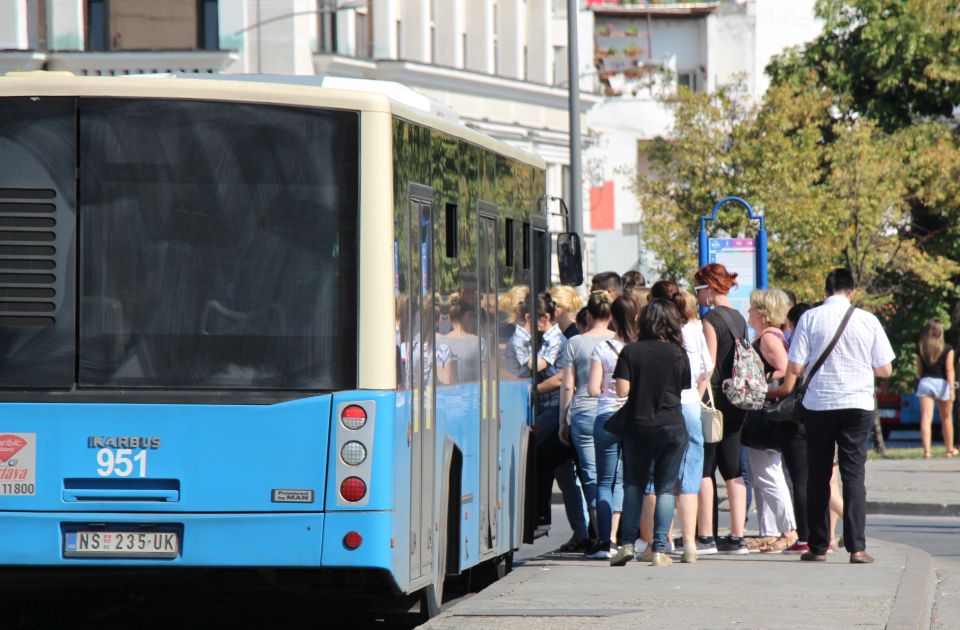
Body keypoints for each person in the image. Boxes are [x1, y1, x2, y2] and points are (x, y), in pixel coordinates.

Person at [785, 268, 895, 564]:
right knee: (853, 476)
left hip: (819, 404)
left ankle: (818, 546)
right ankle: (857, 548)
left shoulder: (809, 318)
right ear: (852, 292)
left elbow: (795, 366)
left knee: (818, 475)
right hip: (857, 405)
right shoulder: (868, 320)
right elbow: (885, 369)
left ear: (825, 290)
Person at [608, 299, 691, 567]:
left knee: (633, 486)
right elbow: (682, 389)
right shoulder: (679, 353)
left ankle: (628, 544)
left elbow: (622, 391)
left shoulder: (631, 351)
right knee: (666, 489)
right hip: (672, 426)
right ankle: (658, 550)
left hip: (638, 426)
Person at [650, 281, 711, 563]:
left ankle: (660, 541)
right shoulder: (695, 330)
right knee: (689, 478)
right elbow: (705, 371)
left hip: (660, 407)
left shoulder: (654, 334)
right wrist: (696, 399)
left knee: (658, 477)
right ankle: (690, 544)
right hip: (689, 405)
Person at [525, 291, 591, 551]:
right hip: (555, 412)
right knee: (565, 476)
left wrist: (534, 390)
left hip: (557, 412)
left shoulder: (564, 340)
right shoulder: (554, 338)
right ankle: (582, 532)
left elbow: (563, 379)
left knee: (541, 458)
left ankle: (545, 516)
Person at [694, 263, 749, 555]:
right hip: (737, 401)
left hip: (714, 401)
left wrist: (696, 398)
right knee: (733, 470)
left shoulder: (711, 319)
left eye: (699, 289)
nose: (698, 295)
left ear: (710, 288)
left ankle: (705, 537)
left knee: (705, 469)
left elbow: (709, 365)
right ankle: (737, 537)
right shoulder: (739, 318)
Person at [559, 290, 616, 555]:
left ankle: (599, 539)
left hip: (582, 413)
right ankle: (614, 536)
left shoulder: (575, 343)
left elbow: (568, 386)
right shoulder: (620, 341)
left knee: (591, 477)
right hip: (613, 412)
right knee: (615, 476)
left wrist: (563, 420)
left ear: (589, 315)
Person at [744, 289, 798, 553]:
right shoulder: (769, 335)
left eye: (753, 308)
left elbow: (786, 369)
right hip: (763, 411)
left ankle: (788, 530)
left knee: (767, 474)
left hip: (765, 412)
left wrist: (759, 382)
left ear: (763, 313)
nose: (748, 312)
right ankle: (770, 531)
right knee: (760, 474)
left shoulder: (768, 338)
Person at [587, 294, 639, 558]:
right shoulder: (640, 347)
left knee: (605, 481)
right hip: (634, 420)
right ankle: (625, 539)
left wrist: (608, 387)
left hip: (606, 417)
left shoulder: (602, 348)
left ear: (613, 318)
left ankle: (605, 542)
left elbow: (592, 389)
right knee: (629, 481)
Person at [915, 319, 957, 458]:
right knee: (946, 418)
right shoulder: (947, 349)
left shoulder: (921, 348)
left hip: (925, 382)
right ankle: (949, 450)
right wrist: (952, 389)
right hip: (942, 383)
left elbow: (919, 369)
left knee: (926, 418)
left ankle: (927, 451)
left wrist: (923, 378)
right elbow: (949, 369)